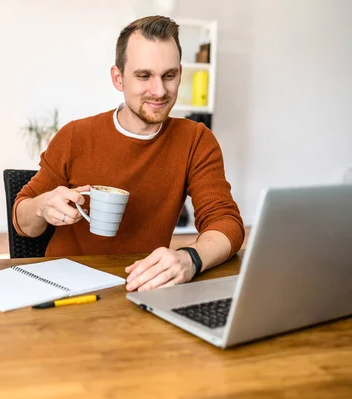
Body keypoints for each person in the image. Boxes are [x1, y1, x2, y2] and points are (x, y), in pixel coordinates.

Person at [13, 15, 244, 292]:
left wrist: (190, 258)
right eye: (144, 76)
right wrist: (41, 206)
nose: (159, 91)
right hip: (64, 288)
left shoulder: (196, 140)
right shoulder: (75, 136)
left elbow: (226, 223)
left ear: (180, 74)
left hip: (141, 286)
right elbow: (23, 223)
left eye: (169, 75)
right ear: (118, 78)